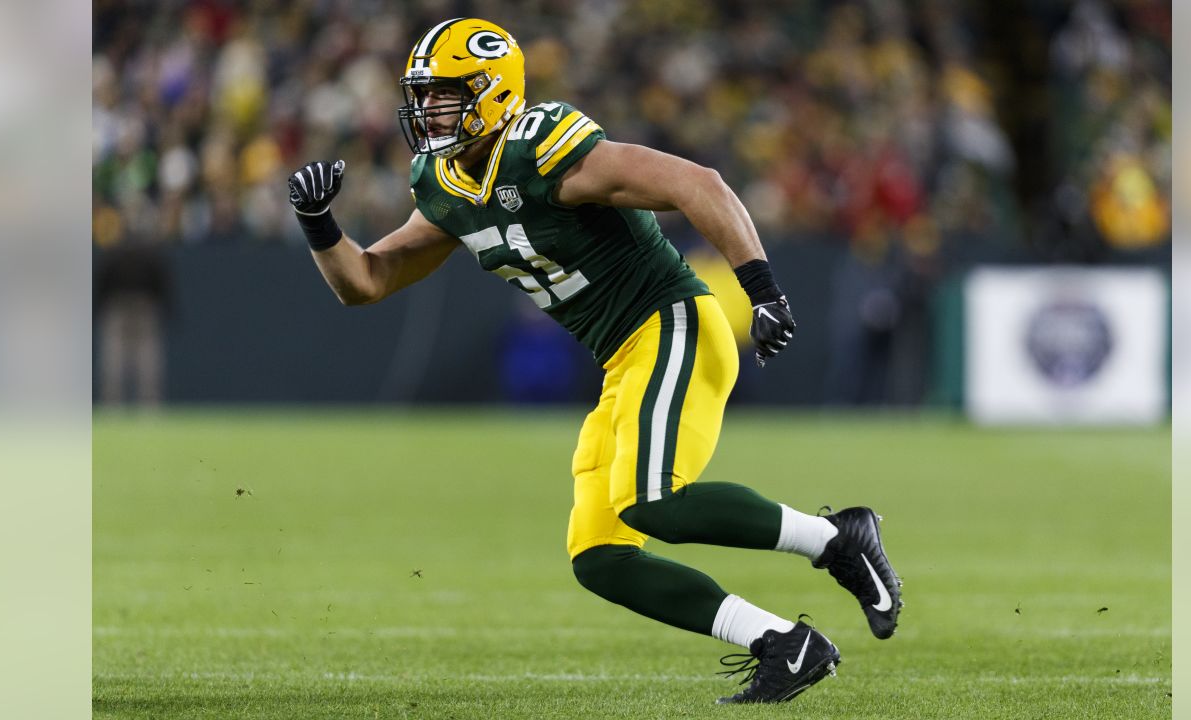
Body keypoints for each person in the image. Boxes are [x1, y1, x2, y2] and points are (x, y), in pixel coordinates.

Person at [287, 18, 901, 705]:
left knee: (655, 502)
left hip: (671, 322)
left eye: (443, 94)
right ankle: (784, 644)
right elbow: (366, 282)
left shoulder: (542, 149)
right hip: (622, 358)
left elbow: (698, 182)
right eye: (423, 96)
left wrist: (761, 289)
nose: (427, 110)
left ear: (492, 93)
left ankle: (836, 538)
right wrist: (320, 224)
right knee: (600, 558)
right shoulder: (442, 183)